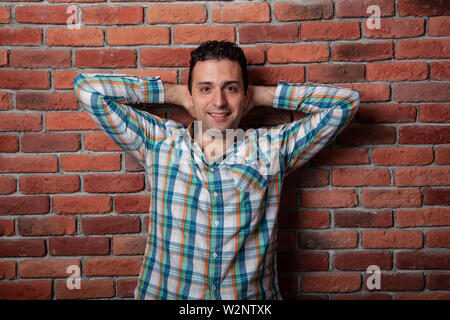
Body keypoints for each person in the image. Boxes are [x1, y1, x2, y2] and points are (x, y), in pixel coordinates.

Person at [73, 40, 360, 300]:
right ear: (192, 95)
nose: (219, 102)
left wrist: (260, 96)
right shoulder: (157, 141)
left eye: (231, 88)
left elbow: (345, 103)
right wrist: (175, 93)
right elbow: (89, 91)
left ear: (244, 96)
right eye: (205, 88)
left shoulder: (274, 147)